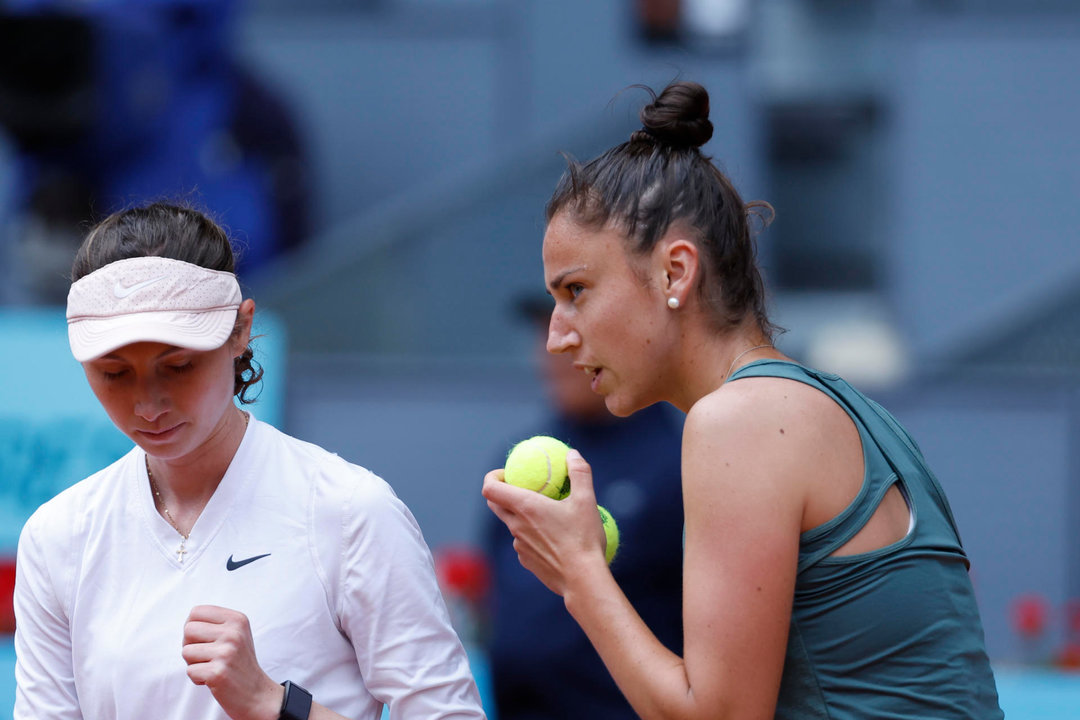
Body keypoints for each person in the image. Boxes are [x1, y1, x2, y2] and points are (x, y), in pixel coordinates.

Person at [482, 81, 1003, 719]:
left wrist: (579, 571)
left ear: (676, 271)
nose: (558, 338)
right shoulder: (858, 416)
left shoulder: (740, 421)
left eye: (577, 290)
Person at [13, 203, 486, 720]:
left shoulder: (350, 512)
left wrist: (275, 705)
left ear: (240, 331)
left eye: (178, 366)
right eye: (114, 373)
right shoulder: (58, 537)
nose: (147, 404)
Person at [482, 295, 684, 719]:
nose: (551, 350)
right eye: (542, 334)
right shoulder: (517, 454)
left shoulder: (679, 461)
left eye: (573, 333)